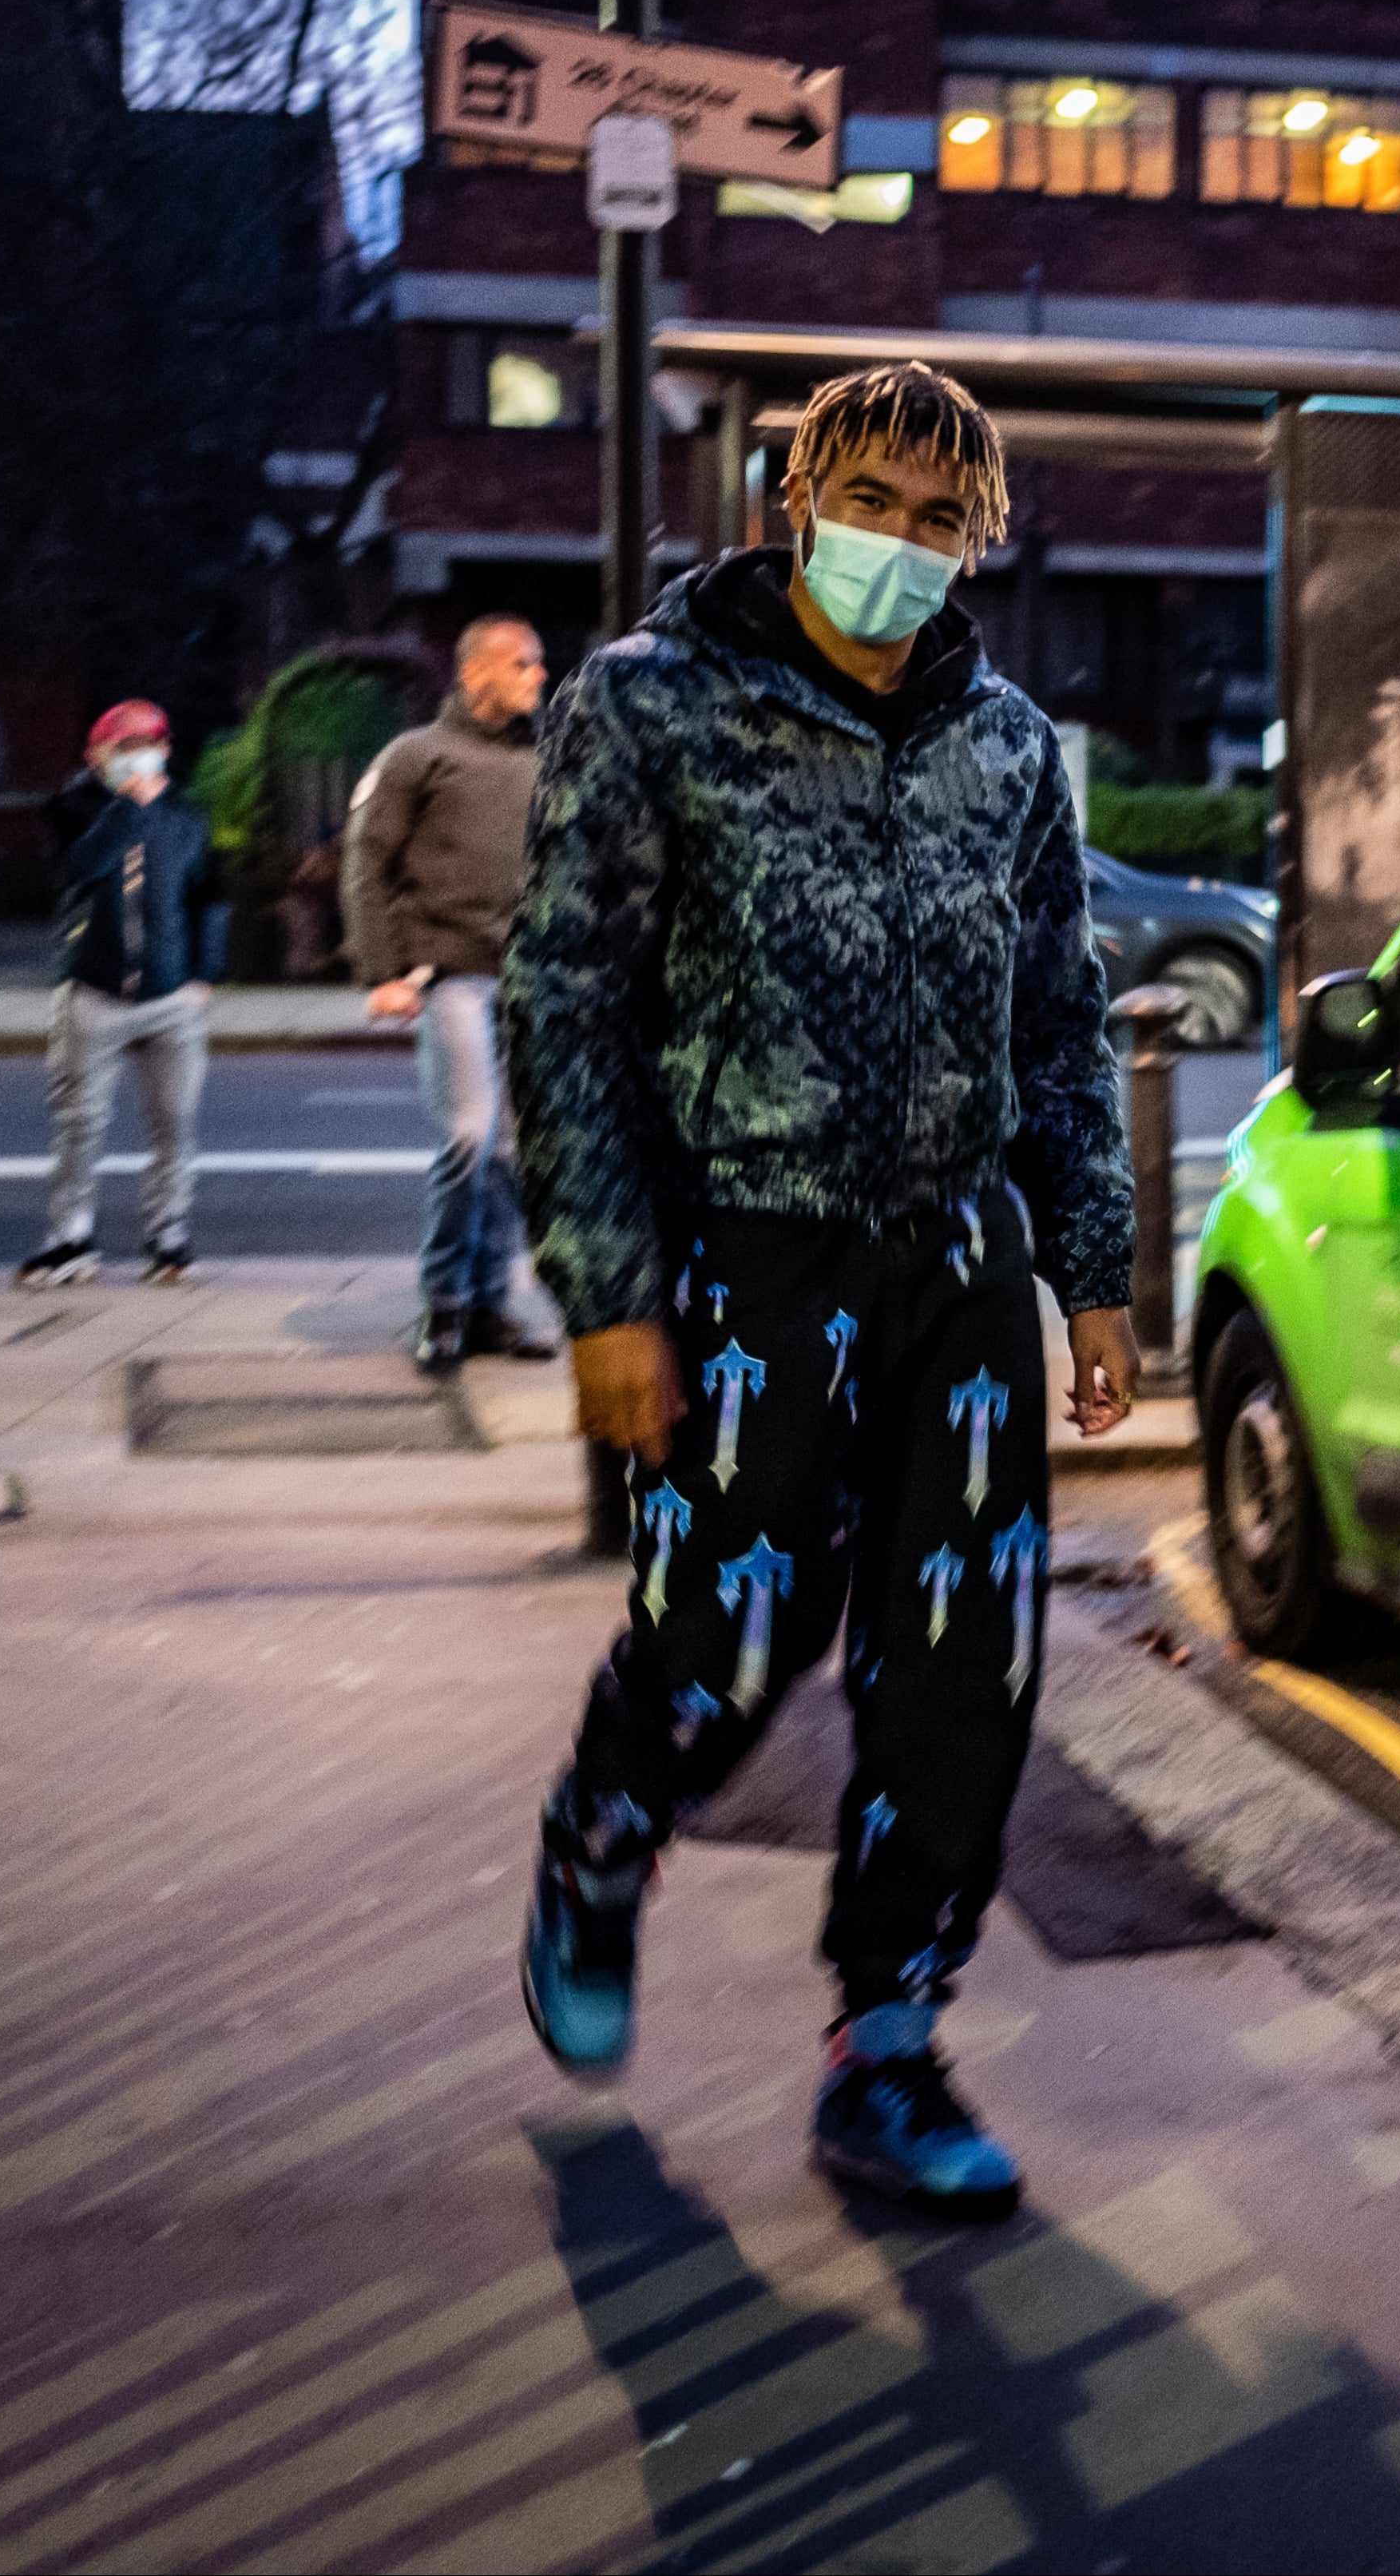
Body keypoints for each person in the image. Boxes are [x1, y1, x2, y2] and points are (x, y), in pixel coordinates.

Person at [505, 360, 1136, 2217]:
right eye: (868, 500)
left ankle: (889, 2045)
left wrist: (1091, 1277)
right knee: (722, 1638)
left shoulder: (1010, 748)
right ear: (797, 501)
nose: (901, 542)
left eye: (942, 519)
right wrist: (612, 1298)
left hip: (957, 1268)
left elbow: (1061, 1024)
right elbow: (563, 1008)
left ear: (985, 542)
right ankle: (604, 1833)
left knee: (961, 1676)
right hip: (745, 1261)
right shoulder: (649, 709)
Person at [345, 616, 559, 1373]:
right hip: (450, 976)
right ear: (475, 675)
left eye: (539, 664)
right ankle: (442, 1304)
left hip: (530, 979)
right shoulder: (417, 756)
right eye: (523, 663)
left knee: (509, 1150)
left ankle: (491, 1305)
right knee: (470, 1136)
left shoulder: (547, 759)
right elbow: (367, 863)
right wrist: (381, 974)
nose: (539, 674)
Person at [18, 701, 225, 1287]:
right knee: (80, 1123)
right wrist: (127, 811)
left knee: (175, 1124)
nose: (136, 755)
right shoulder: (70, 811)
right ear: (95, 757)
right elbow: (79, 870)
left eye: (147, 742)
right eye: (122, 746)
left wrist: (204, 972)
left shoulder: (188, 816)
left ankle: (169, 1237)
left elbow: (209, 895)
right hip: (93, 990)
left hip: (171, 997)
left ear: (165, 747)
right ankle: (72, 1238)